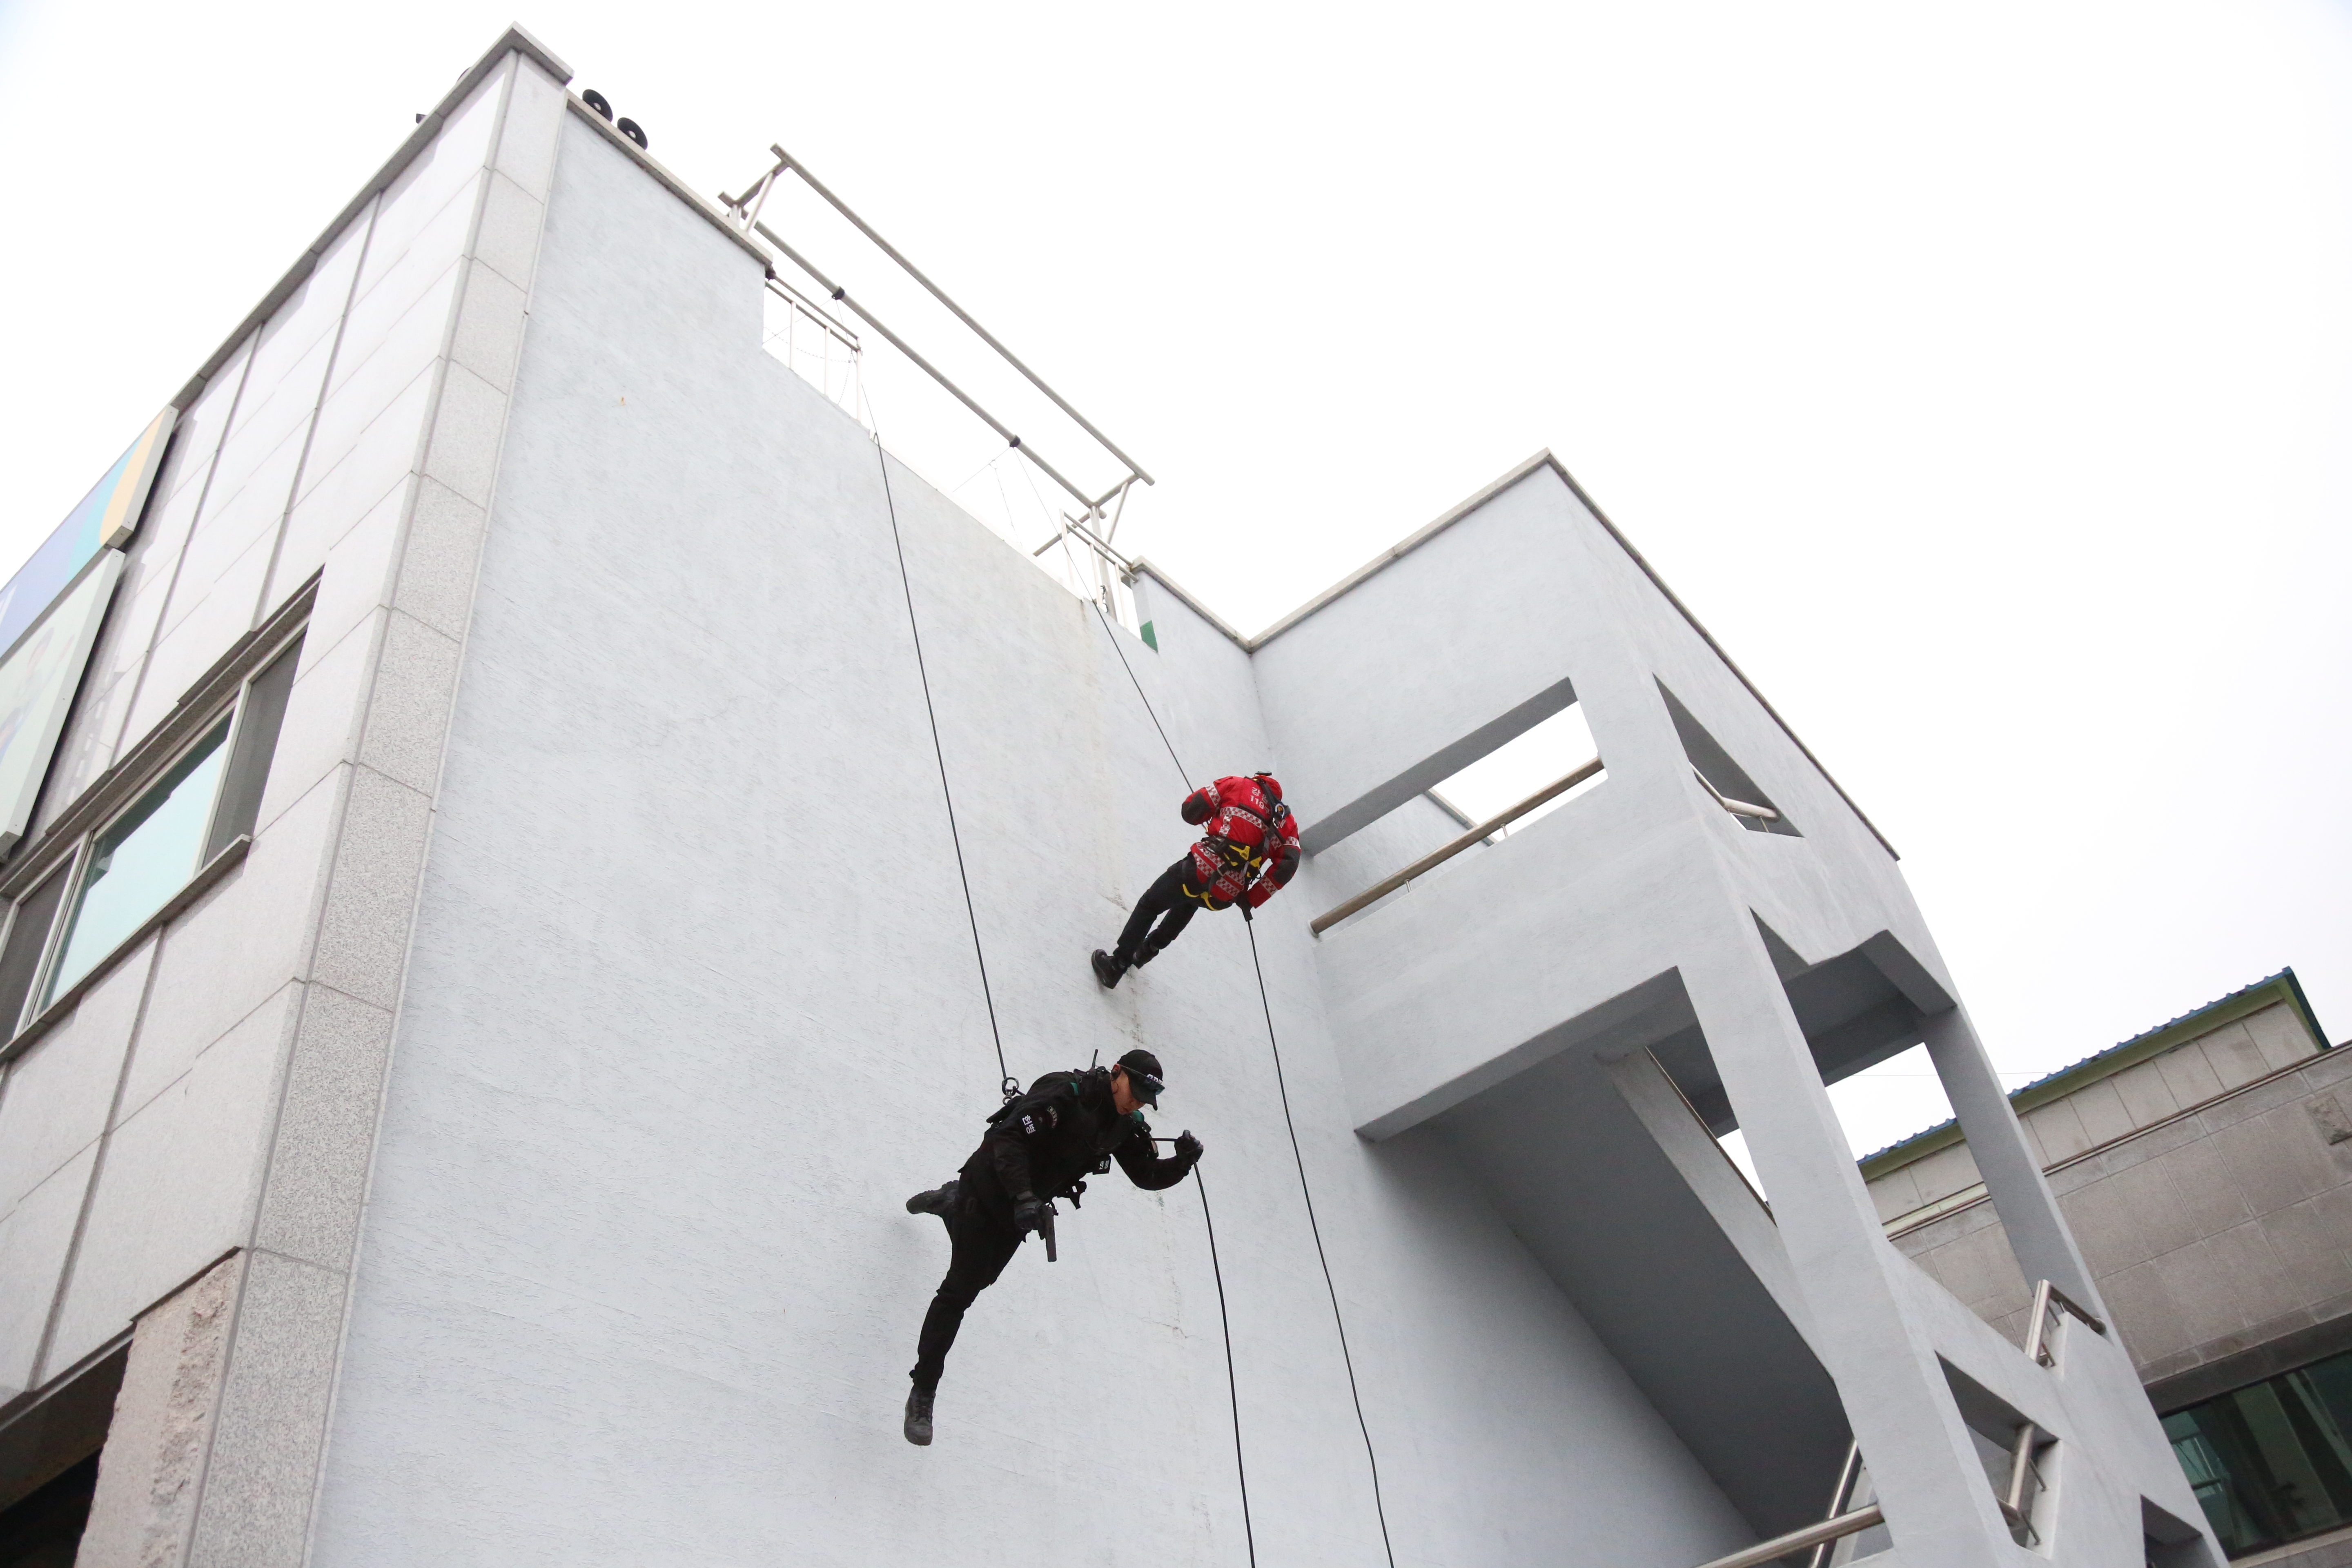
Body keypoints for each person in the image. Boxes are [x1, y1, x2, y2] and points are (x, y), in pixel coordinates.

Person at [900, 1048, 1202, 1445]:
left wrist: (1181, 1163)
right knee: (959, 1292)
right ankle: (923, 1390)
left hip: (1019, 1214)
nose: (1137, 1104)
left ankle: (949, 1204)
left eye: (1146, 1100)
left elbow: (1145, 1174)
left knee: (982, 1277)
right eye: (1135, 1092)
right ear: (1117, 1073)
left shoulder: (1123, 1125)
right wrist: (1024, 1195)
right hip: (988, 1188)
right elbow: (1007, 1139)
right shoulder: (1066, 1094)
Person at [1091, 773, 1301, 989]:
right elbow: (1288, 867)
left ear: (1259, 780)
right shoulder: (1288, 823)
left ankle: (1116, 965)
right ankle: (1145, 952)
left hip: (1201, 868)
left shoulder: (1238, 784)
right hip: (1225, 894)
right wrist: (1250, 899)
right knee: (1190, 901)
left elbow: (1190, 811)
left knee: (1151, 904)